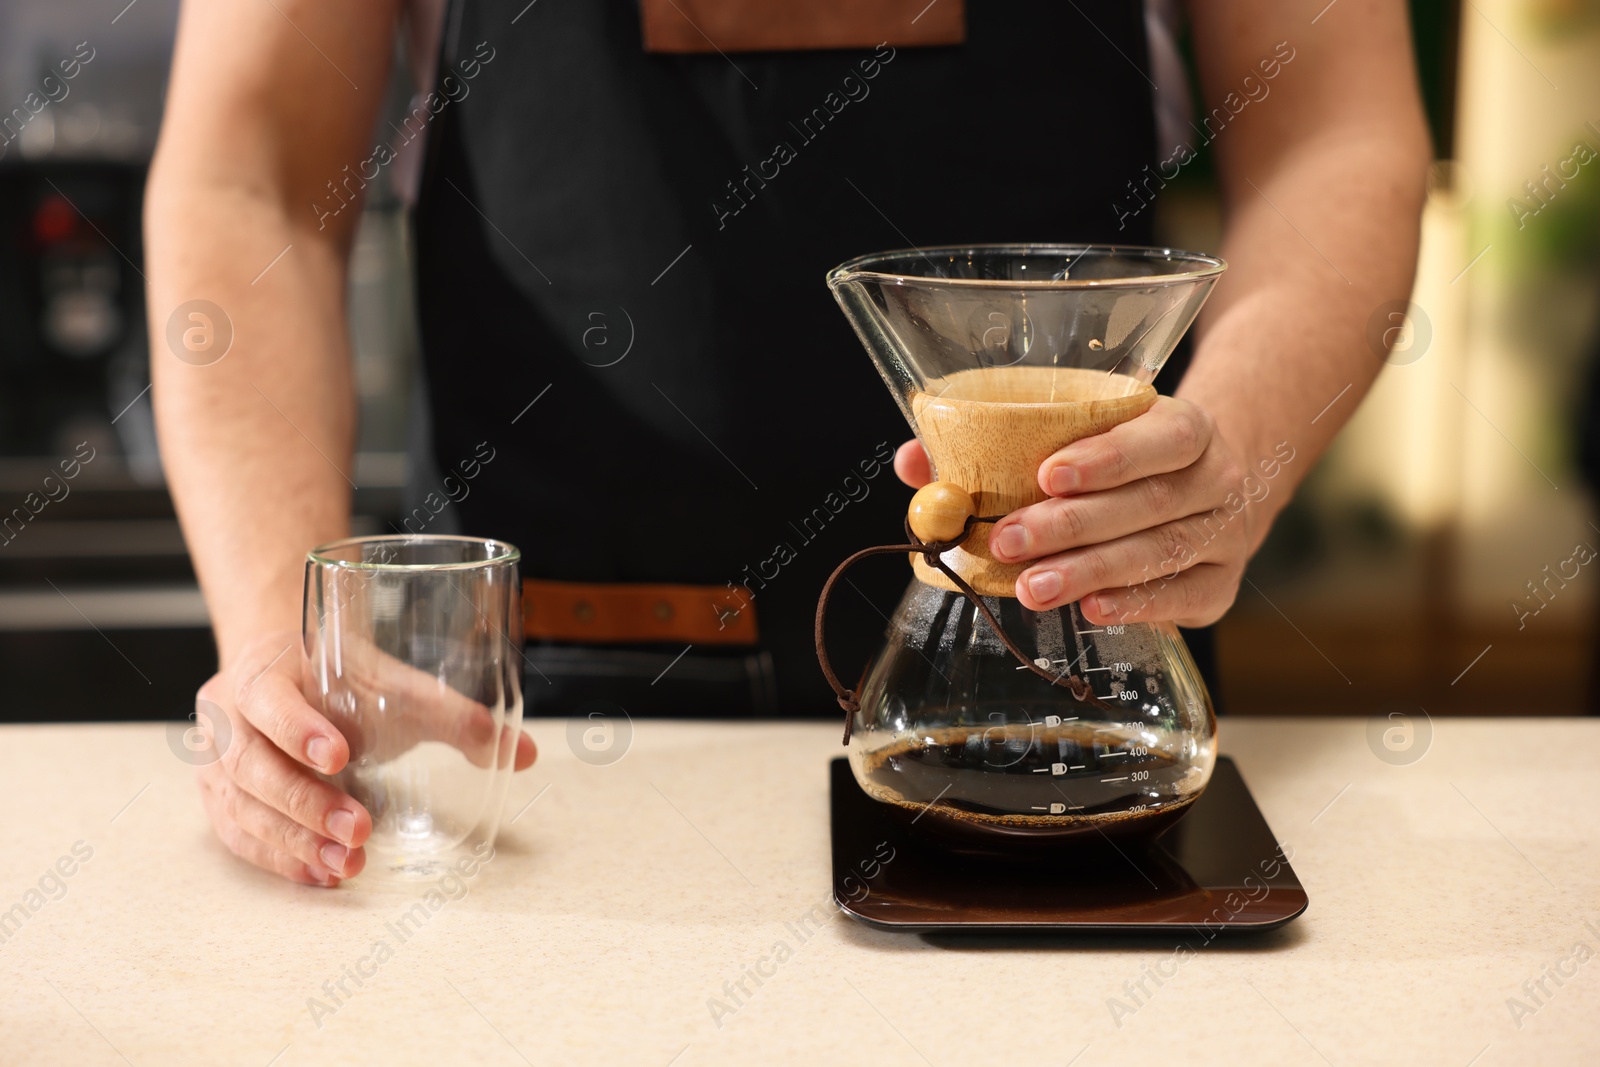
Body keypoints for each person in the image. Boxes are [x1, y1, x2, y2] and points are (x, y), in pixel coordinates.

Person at [145, 0, 1430, 885]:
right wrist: (280, 636)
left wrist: (1234, 454)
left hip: (1074, 701)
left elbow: (1335, 135)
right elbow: (246, 172)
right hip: (526, 750)